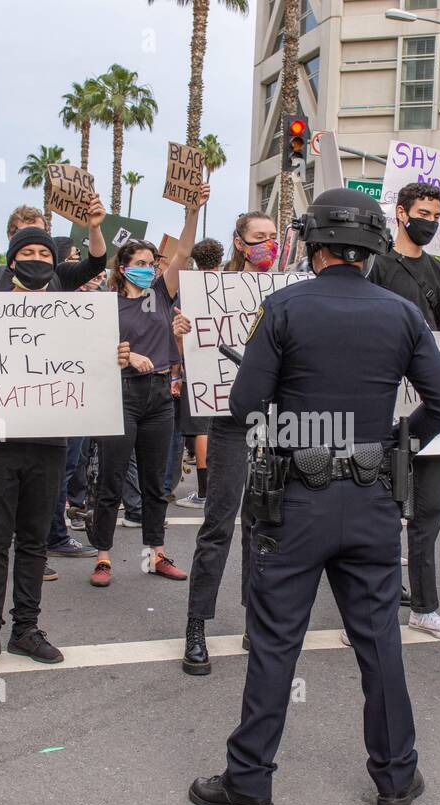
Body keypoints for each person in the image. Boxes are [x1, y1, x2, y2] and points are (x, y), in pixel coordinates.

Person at [187, 187, 440, 805]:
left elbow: (246, 408)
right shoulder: (402, 313)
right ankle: (396, 776)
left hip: (296, 498)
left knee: (277, 640)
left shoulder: (283, 307)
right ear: (372, 246)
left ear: (313, 242)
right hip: (371, 497)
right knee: (379, 641)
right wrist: (395, 448)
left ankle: (249, 782)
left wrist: (295, 424)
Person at [0, 228, 128, 671]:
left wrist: (115, 357)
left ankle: (26, 630)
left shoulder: (70, 306)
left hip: (50, 439)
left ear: (53, 262)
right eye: (27, 251)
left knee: (34, 542)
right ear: (12, 260)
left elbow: (94, 269)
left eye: (42, 252)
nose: (35, 257)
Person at [367, 181, 440, 642]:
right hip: (380, 408)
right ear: (400, 213)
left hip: (430, 412)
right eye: (423, 213)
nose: (430, 222)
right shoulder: (375, 267)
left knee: (429, 510)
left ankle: (425, 607)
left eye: (436, 216)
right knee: (377, 510)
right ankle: (371, 612)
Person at [89, 184, 209, 589]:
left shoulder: (161, 292)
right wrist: (121, 355)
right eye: (139, 262)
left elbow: (184, 253)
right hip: (121, 394)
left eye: (151, 262)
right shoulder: (106, 305)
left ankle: (154, 554)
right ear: (122, 268)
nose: (148, 267)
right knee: (112, 478)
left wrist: (192, 212)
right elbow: (89, 352)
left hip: (160, 396)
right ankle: (103, 557)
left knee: (157, 483)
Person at [180, 211, 277, 675]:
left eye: (274, 237)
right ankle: (197, 624)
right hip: (230, 423)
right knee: (219, 524)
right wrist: (181, 332)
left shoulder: (289, 288)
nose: (268, 245)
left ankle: (255, 620)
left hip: (278, 424)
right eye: (260, 238)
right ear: (240, 242)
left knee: (263, 528)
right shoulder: (210, 291)